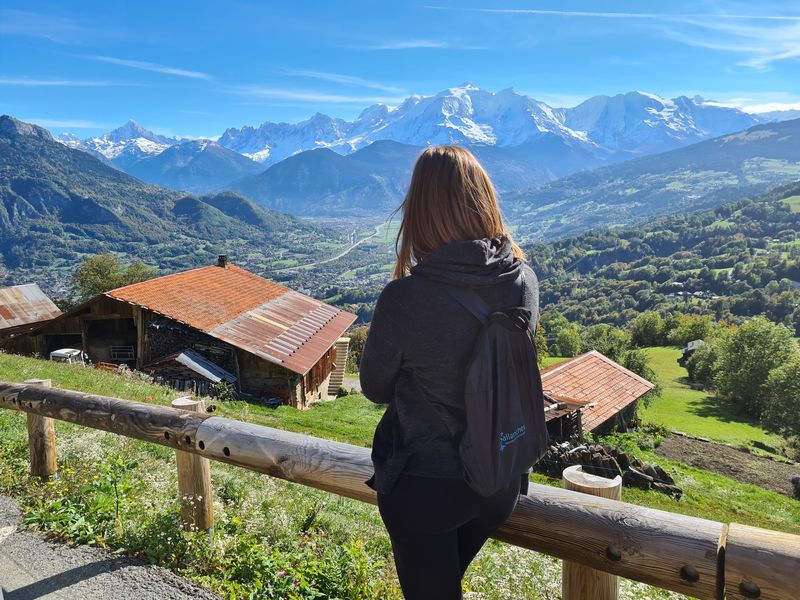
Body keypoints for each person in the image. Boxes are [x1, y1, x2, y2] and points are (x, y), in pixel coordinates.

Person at [360, 145, 544, 599]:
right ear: (484, 199)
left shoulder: (405, 299)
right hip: (498, 479)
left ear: (419, 212)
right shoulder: (524, 279)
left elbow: (374, 388)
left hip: (426, 486)